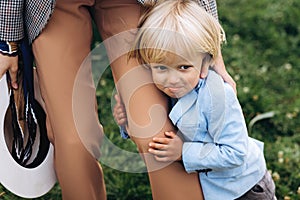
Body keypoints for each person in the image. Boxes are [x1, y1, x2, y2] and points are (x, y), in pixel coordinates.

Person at [0, 0, 235, 200]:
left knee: (157, 131)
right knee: (73, 140)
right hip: (52, 6)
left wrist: (208, 41)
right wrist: (7, 42)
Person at [114, 1, 276, 199]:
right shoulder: (171, 89)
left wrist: (184, 152)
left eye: (184, 67)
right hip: (215, 188)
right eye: (161, 68)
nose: (172, 80)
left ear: (206, 62)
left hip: (243, 188)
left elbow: (236, 152)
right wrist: (125, 122)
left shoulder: (218, 96)